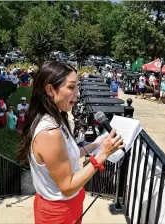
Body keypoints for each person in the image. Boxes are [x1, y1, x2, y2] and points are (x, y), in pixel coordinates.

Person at [17, 61, 124, 224]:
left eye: (77, 87)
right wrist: (103, 155)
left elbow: (67, 155)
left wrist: (97, 144)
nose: (77, 93)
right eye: (71, 87)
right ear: (50, 89)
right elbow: (67, 187)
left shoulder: (57, 118)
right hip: (59, 213)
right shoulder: (50, 133)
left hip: (66, 208)